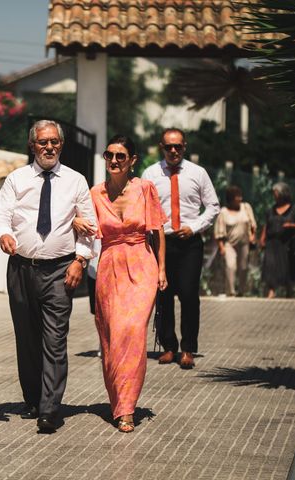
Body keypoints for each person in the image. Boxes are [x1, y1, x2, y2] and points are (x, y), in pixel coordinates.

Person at [0, 119, 96, 433]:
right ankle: (34, 400)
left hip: (60, 271)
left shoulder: (76, 181)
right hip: (21, 269)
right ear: (32, 146)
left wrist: (80, 260)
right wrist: (4, 235)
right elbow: (0, 215)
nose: (49, 147)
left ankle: (50, 409)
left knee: (54, 341)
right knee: (27, 339)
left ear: (61, 145)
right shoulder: (16, 179)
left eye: (54, 142)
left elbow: (89, 225)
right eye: (42, 142)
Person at [73, 135, 167, 433]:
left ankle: (128, 408)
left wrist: (162, 269)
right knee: (112, 336)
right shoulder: (95, 193)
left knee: (133, 330)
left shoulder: (145, 188)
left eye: (121, 156)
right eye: (109, 155)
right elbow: (83, 224)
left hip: (142, 264)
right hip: (110, 267)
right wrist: (75, 221)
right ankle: (118, 403)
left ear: (133, 161)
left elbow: (158, 231)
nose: (114, 161)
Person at [143, 128, 219, 369]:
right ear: (161, 147)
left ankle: (187, 348)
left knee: (188, 295)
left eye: (178, 146)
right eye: (168, 147)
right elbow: (143, 207)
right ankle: (168, 347)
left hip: (189, 242)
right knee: (163, 295)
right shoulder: (151, 174)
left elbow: (213, 206)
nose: (173, 151)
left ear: (184, 147)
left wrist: (194, 227)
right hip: (161, 242)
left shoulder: (198, 173)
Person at [260, 182, 295, 298]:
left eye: (275, 193)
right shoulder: (270, 210)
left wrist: (290, 225)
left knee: (287, 267)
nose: (274, 195)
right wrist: (262, 238)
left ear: (282, 194)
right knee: (270, 266)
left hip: (287, 243)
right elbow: (266, 225)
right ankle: (271, 291)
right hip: (272, 243)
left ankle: (289, 291)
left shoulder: (294, 209)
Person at [214, 185, 257, 296]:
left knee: (243, 267)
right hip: (230, 244)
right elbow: (219, 231)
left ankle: (241, 291)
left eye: (240, 196)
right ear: (231, 199)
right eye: (237, 197)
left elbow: (252, 224)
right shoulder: (224, 212)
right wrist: (221, 247)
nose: (240, 199)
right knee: (230, 265)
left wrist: (252, 236)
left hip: (244, 243)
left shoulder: (246, 207)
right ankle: (231, 291)